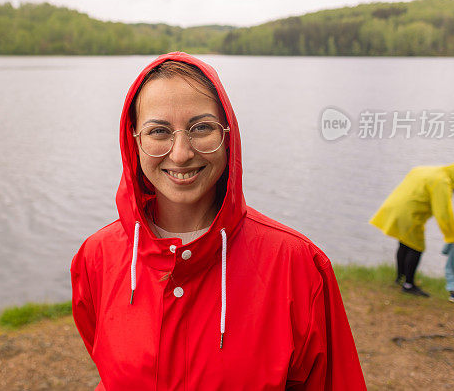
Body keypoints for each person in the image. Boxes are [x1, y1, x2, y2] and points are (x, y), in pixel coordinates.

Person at [71, 52, 365, 389]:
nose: (181, 153)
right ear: (133, 140)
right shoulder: (97, 258)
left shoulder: (296, 265)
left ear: (228, 135)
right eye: (158, 131)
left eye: (202, 128)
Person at [369, 162, 454, 297]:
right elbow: (443, 214)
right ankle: (408, 285)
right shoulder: (442, 181)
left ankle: (400, 279)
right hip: (410, 214)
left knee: (404, 243)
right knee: (417, 247)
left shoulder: (425, 170)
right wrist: (453, 236)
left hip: (395, 207)